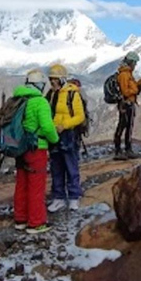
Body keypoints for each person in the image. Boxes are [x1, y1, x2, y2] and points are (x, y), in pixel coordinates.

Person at [13, 68, 59, 234]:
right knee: (36, 186)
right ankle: (36, 223)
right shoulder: (40, 102)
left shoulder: (17, 99)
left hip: (20, 148)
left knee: (22, 184)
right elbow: (47, 127)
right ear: (40, 84)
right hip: (36, 148)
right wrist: (55, 140)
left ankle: (20, 219)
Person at [45, 64, 85, 212]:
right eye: (51, 79)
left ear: (61, 79)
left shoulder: (72, 94)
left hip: (68, 134)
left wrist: (65, 125)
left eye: (54, 79)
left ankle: (74, 197)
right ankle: (58, 198)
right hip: (54, 135)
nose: (52, 82)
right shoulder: (51, 94)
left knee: (71, 166)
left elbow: (80, 116)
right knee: (56, 167)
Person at [114, 51, 141, 160]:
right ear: (131, 62)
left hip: (127, 104)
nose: (135, 65)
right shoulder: (125, 75)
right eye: (135, 63)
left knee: (126, 126)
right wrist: (135, 90)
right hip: (126, 104)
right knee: (124, 127)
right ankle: (122, 150)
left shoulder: (127, 73)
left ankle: (123, 150)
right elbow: (126, 91)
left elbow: (133, 86)